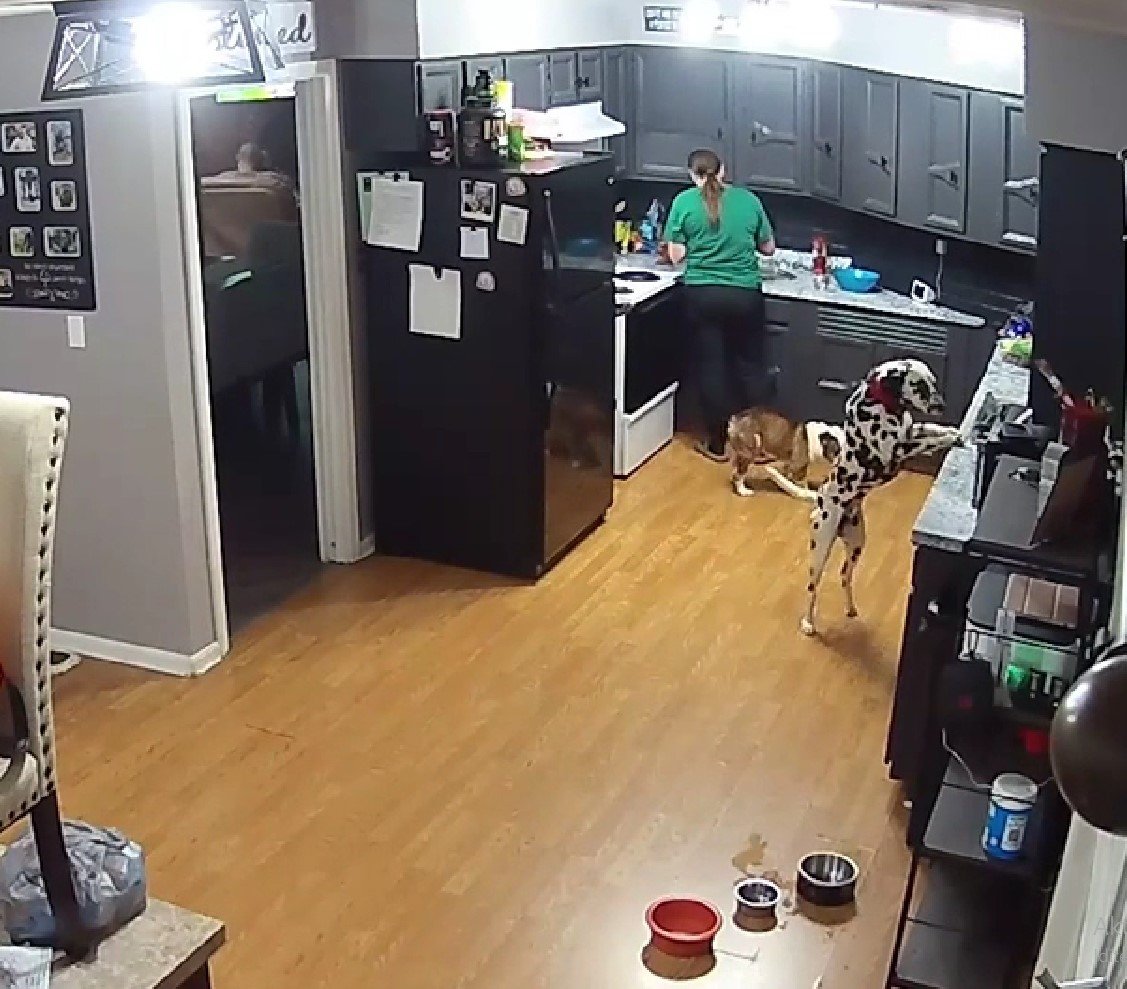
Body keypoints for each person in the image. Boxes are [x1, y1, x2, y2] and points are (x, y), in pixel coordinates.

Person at [663, 148, 777, 461]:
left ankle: (717, 444)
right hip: (744, 294)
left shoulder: (683, 202)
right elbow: (768, 248)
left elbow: (676, 255)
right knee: (751, 368)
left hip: (702, 295)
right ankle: (761, 444)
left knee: (712, 368)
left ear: (691, 174)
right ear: (723, 171)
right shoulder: (748, 200)